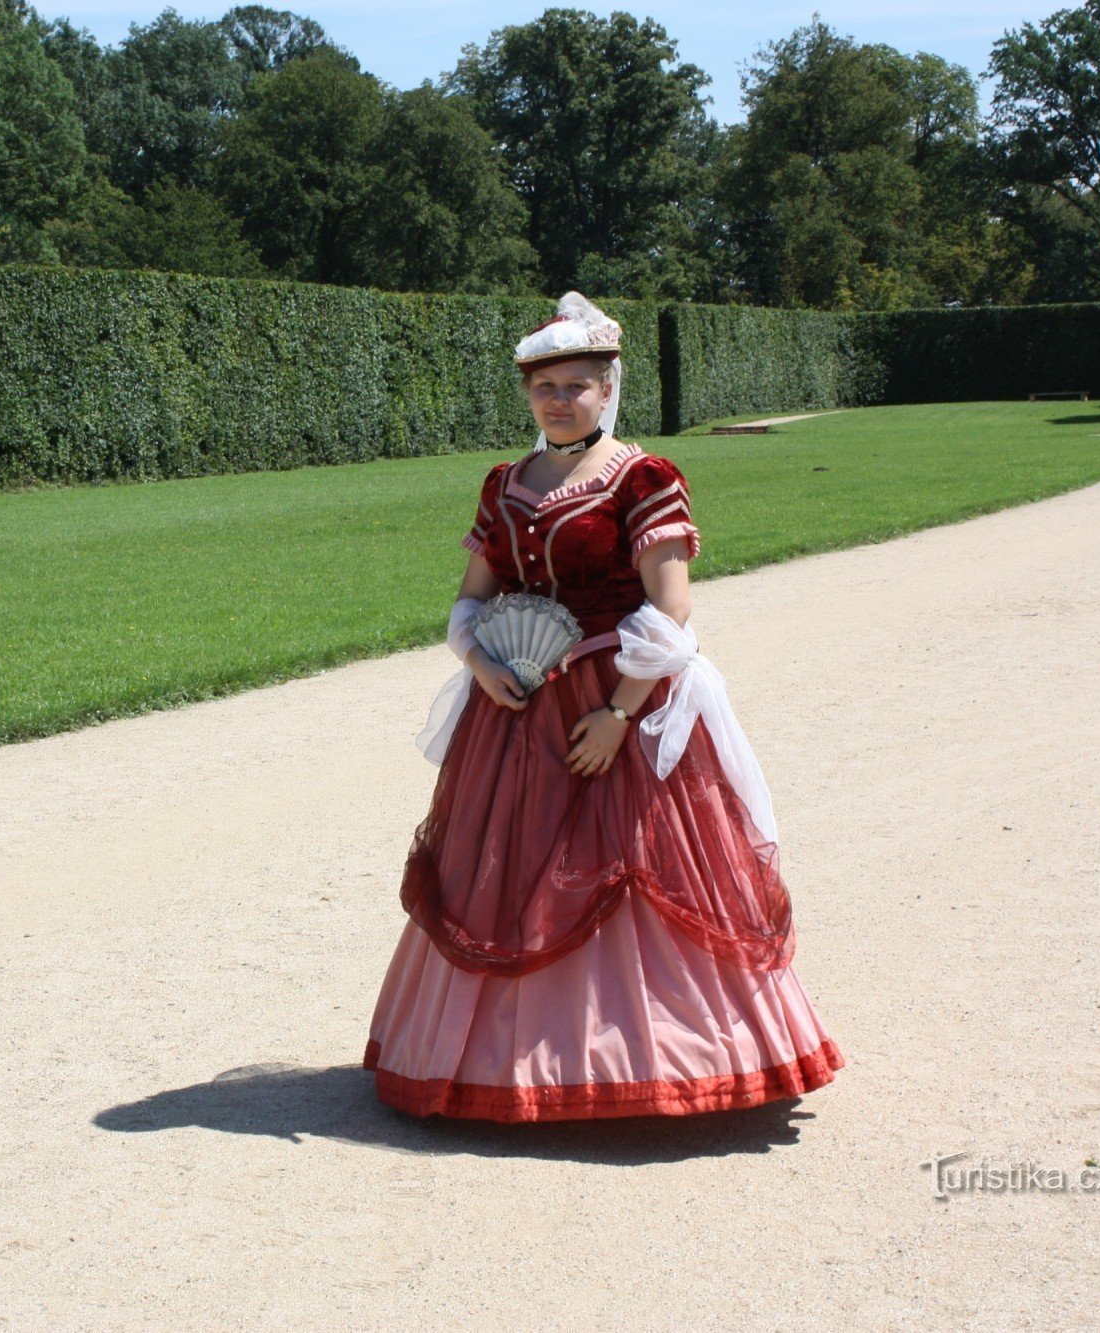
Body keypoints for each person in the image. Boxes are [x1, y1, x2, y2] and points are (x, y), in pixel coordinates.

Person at [362, 291, 847, 1122]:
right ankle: (506, 1064)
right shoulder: (505, 483)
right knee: (507, 872)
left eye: (576, 384)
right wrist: (479, 664)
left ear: (605, 387)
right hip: (515, 708)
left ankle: (663, 1058)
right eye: (545, 386)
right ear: (528, 393)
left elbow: (671, 612)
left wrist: (621, 713)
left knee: (635, 862)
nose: (558, 399)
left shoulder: (642, 476)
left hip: (619, 700)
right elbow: (472, 601)